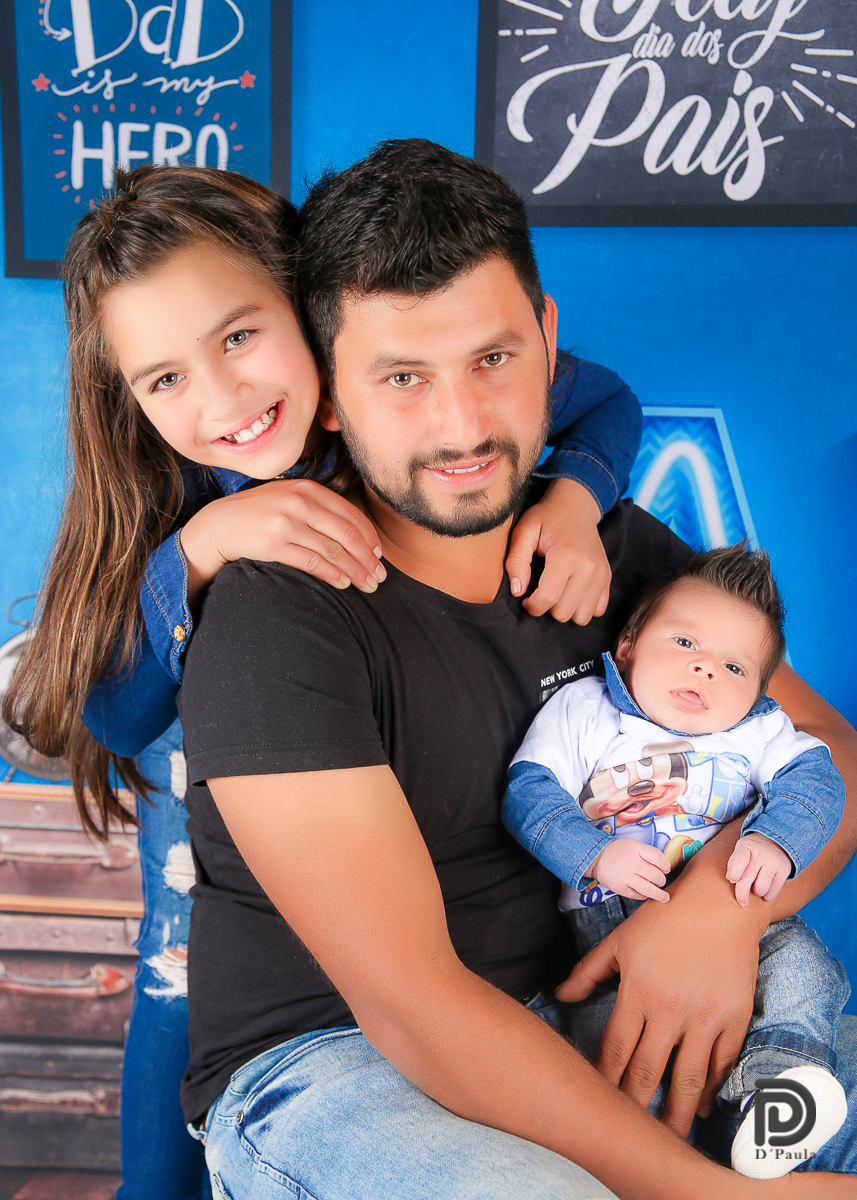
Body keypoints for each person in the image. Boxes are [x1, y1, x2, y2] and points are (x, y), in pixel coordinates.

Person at [174, 138, 857, 1199]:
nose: (460, 428)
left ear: (545, 340)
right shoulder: (277, 614)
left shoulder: (619, 552)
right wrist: (713, 1196)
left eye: (491, 359)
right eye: (402, 377)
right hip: (331, 1061)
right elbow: (414, 1006)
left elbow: (835, 761)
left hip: (584, 996)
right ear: (328, 394)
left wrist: (715, 913)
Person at [4, 163, 644, 1200]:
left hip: (386, 769)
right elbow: (116, 711)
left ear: (302, 302)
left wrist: (576, 495)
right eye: (163, 378)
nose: (224, 401)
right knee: (179, 960)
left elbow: (601, 397)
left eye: (239, 337)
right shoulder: (173, 482)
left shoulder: (416, 388)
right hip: (200, 742)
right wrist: (201, 547)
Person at [502, 543, 849, 1178]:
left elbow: (817, 780)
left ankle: (775, 1091)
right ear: (630, 644)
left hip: (741, 911)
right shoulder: (585, 710)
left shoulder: (759, 732)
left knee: (807, 969)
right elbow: (530, 793)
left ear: (758, 695)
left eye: (735, 668)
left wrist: (777, 840)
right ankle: (676, 1143)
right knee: (624, 1040)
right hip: (616, 921)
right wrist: (594, 853)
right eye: (685, 644)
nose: (707, 671)